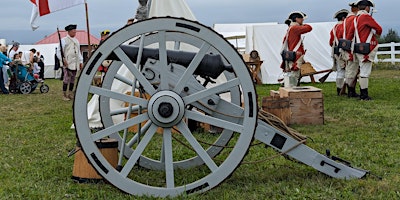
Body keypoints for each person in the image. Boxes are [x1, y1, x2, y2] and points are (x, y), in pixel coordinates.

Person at [350, 0, 382, 100]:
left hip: (357, 47)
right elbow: (379, 28)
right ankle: (364, 95)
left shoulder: (355, 19)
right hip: (366, 49)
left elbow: (350, 34)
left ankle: (361, 93)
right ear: (367, 7)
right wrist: (376, 35)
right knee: (364, 71)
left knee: (362, 70)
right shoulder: (366, 17)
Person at [280, 11, 312, 86]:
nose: (302, 20)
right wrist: (302, 25)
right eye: (301, 19)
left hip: (292, 54)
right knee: (295, 74)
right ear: (297, 19)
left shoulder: (291, 28)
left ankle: (287, 86)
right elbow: (309, 28)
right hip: (296, 54)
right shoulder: (295, 28)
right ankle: (292, 89)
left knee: (292, 73)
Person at [57, 24, 83, 101]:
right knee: (66, 79)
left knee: (73, 79)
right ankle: (64, 94)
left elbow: (78, 52)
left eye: (75, 31)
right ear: (69, 31)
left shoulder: (76, 41)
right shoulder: (64, 40)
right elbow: (59, 51)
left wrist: (80, 61)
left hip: (75, 62)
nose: (74, 32)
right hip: (67, 62)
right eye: (73, 31)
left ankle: (70, 93)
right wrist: (63, 60)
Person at [342, 2, 360, 98]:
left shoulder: (346, 20)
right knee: (352, 70)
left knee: (350, 70)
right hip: (352, 48)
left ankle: (350, 91)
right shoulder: (354, 19)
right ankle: (351, 92)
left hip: (347, 47)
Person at [329, 9, 349, 95]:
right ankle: (342, 90)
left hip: (336, 52)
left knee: (340, 71)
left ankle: (339, 89)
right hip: (343, 52)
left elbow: (331, 42)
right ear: (344, 18)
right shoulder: (344, 27)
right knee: (344, 71)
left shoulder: (334, 28)